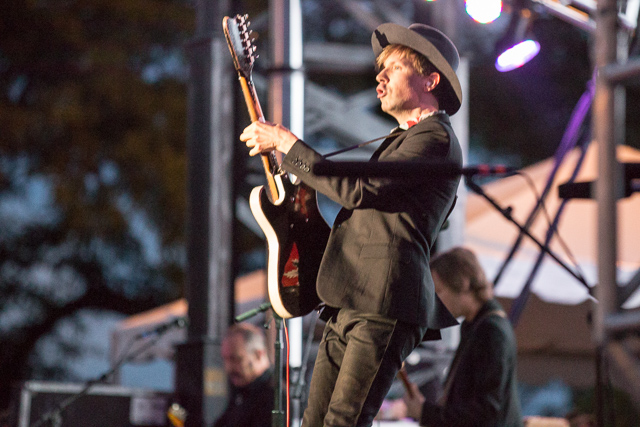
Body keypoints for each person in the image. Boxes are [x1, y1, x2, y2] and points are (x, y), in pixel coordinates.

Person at [241, 22, 463, 427]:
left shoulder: (435, 139)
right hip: (352, 298)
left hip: (384, 301)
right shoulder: (403, 140)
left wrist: (288, 145)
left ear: (430, 79)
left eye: (393, 67)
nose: (379, 76)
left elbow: (360, 190)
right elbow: (366, 213)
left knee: (343, 421)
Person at [403, 247, 523, 427]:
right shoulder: (478, 325)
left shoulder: (491, 331)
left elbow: (486, 412)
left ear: (463, 283)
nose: (435, 302)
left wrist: (425, 412)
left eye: (440, 291)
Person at [214, 323, 274, 427]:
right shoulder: (241, 392)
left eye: (236, 359)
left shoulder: (275, 396)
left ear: (258, 354)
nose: (228, 368)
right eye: (225, 360)